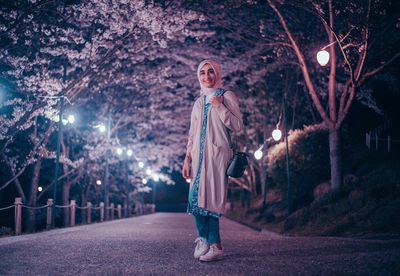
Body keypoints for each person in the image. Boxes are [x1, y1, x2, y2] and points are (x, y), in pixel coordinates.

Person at [182, 60, 243, 262]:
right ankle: (205, 240)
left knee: (212, 201)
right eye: (202, 73)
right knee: (195, 200)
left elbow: (237, 126)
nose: (207, 77)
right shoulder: (198, 102)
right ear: (198, 76)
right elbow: (192, 133)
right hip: (198, 159)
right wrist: (187, 158)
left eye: (210, 72)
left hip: (217, 157)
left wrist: (219, 107)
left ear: (217, 73)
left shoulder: (225, 96)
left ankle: (216, 246)